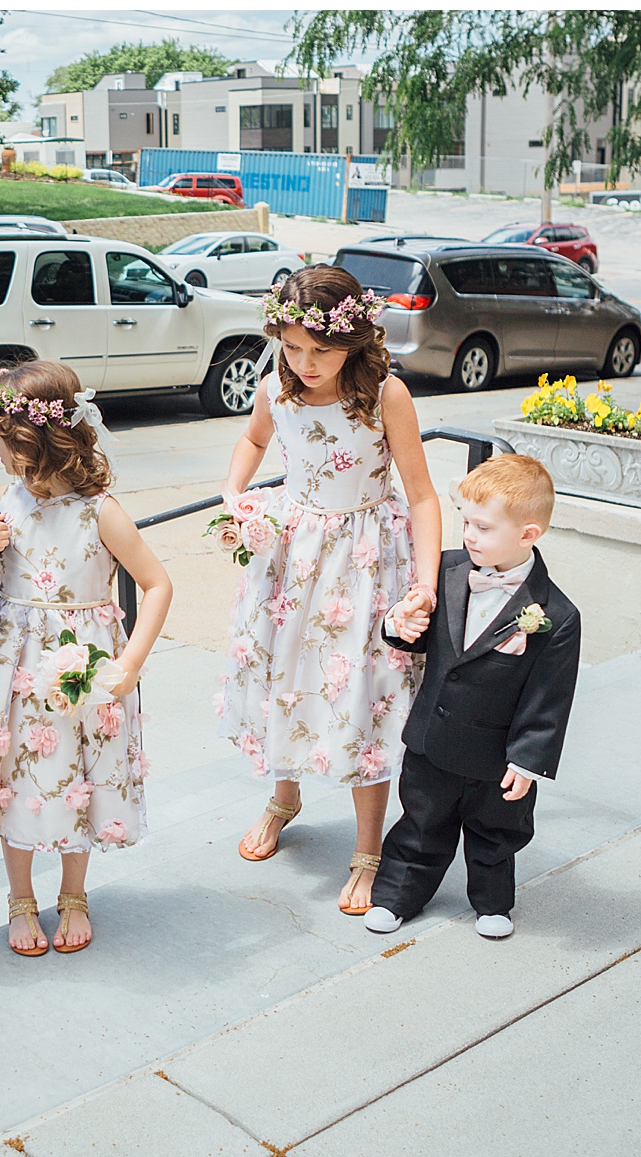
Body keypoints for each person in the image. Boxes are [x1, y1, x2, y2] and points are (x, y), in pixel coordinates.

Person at [218, 266, 442, 915]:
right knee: (283, 679)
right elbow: (254, 438)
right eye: (292, 347)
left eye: (321, 350)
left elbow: (423, 495)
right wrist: (236, 496)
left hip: (366, 560)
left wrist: (423, 585)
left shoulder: (385, 395)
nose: (305, 363)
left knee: (360, 695)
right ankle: (284, 797)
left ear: (355, 339)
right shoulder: (274, 389)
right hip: (292, 557)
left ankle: (369, 847)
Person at [0, 361, 172, 956]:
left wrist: (131, 664)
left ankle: (73, 893)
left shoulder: (100, 512)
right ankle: (20, 897)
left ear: (42, 443)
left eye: (6, 444)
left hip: (79, 672)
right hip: (11, 665)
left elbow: (158, 584)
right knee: (14, 774)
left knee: (77, 775)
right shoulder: (5, 500)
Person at [364, 454, 581, 940]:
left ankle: (492, 902)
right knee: (419, 825)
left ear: (528, 534)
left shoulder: (557, 615)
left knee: (494, 835)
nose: (468, 535)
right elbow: (416, 635)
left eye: (483, 527)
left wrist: (527, 762)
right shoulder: (443, 570)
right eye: (465, 522)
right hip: (432, 740)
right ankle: (397, 895)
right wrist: (398, 626)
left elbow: (549, 698)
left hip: (495, 757)